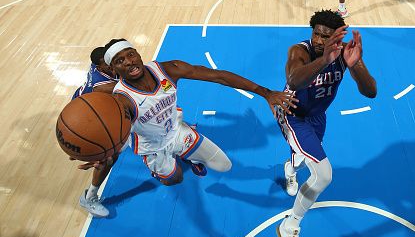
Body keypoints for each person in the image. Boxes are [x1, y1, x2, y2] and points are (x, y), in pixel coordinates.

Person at [103, 39, 298, 186]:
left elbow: (219, 76)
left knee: (224, 166)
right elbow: (116, 133)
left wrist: (265, 92)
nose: (128, 62)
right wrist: (101, 153)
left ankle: (188, 154)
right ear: (113, 69)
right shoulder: (121, 99)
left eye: (130, 55)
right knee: (174, 179)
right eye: (120, 61)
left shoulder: (169, 69)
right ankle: (158, 168)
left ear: (137, 53)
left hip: (176, 130)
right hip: (153, 147)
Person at [275, 10, 377, 237]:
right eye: (317, 34)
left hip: (318, 116)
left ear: (337, 37)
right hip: (292, 114)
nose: (320, 40)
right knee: (323, 174)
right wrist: (324, 59)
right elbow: (294, 80)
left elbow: (371, 91)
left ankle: (291, 168)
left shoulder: (345, 54)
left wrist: (356, 66)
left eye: (326, 36)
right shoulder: (299, 51)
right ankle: (289, 228)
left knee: (302, 159)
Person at [72, 46, 119, 218]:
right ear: (99, 67)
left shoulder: (101, 63)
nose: (112, 66)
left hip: (91, 108)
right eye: (108, 65)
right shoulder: (104, 86)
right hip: (87, 121)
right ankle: (89, 198)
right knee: (108, 157)